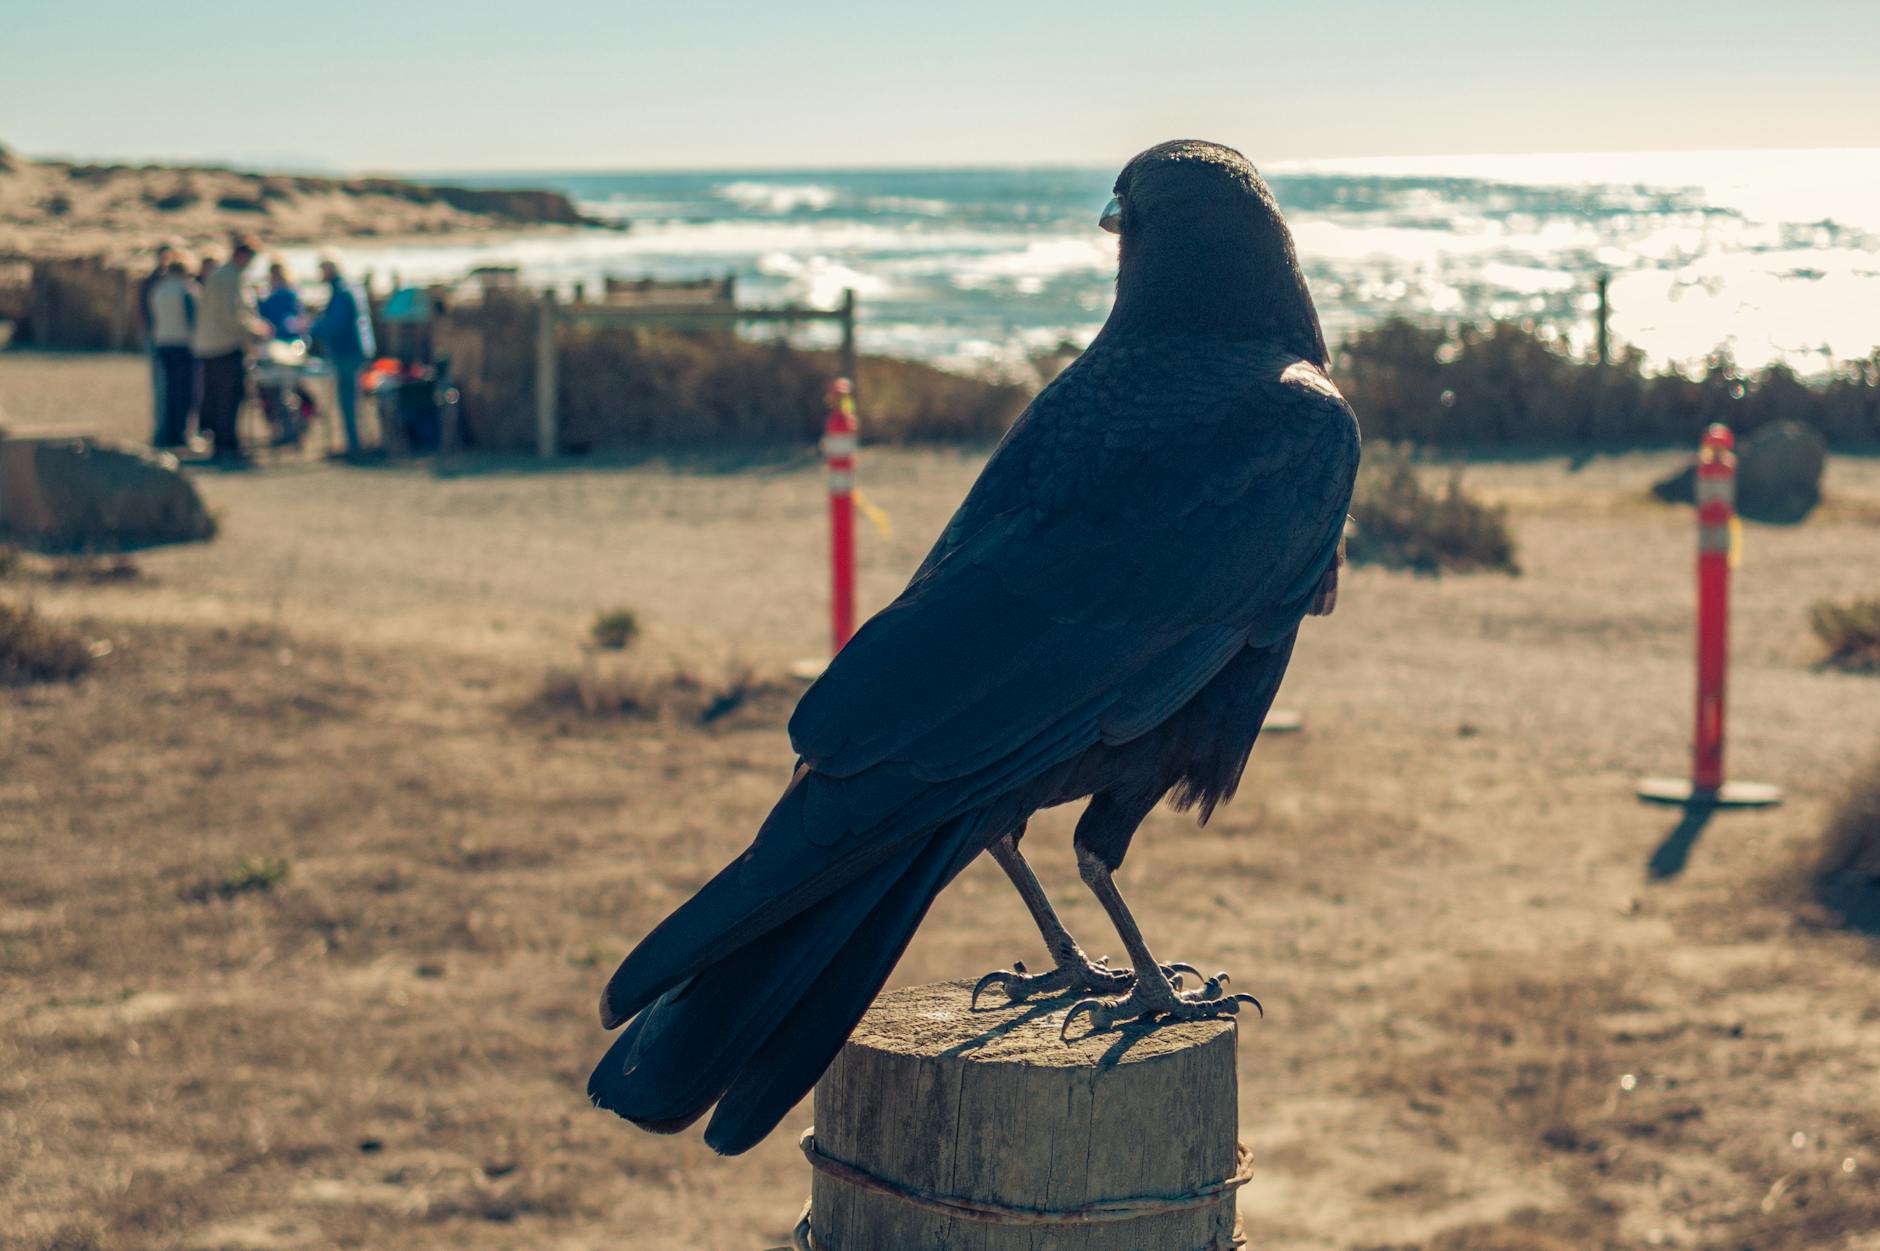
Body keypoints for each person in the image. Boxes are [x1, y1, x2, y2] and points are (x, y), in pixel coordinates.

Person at [190, 234, 270, 463]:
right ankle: (226, 443)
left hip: (214, 345)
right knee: (227, 397)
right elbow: (232, 315)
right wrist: (255, 331)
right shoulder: (229, 277)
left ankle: (224, 442)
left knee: (218, 397)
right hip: (223, 346)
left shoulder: (224, 275)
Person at [310, 251, 376, 457]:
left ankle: (355, 444)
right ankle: (358, 441)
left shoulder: (341, 291)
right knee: (354, 398)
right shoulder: (350, 288)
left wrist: (311, 328)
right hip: (356, 349)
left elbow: (335, 324)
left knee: (348, 399)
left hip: (347, 351)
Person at [145, 251, 198, 449]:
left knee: (167, 391)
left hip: (162, 343)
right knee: (184, 392)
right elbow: (192, 321)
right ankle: (181, 433)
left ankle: (166, 433)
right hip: (183, 345)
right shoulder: (186, 290)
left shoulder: (158, 289)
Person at [138, 243, 177, 442]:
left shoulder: (170, 279)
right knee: (160, 386)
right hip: (158, 338)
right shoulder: (153, 281)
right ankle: (161, 431)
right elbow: (145, 311)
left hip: (168, 338)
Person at [257, 259, 305, 340]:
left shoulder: (287, 294)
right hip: (280, 334)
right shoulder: (290, 293)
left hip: (285, 335)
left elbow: (265, 313)